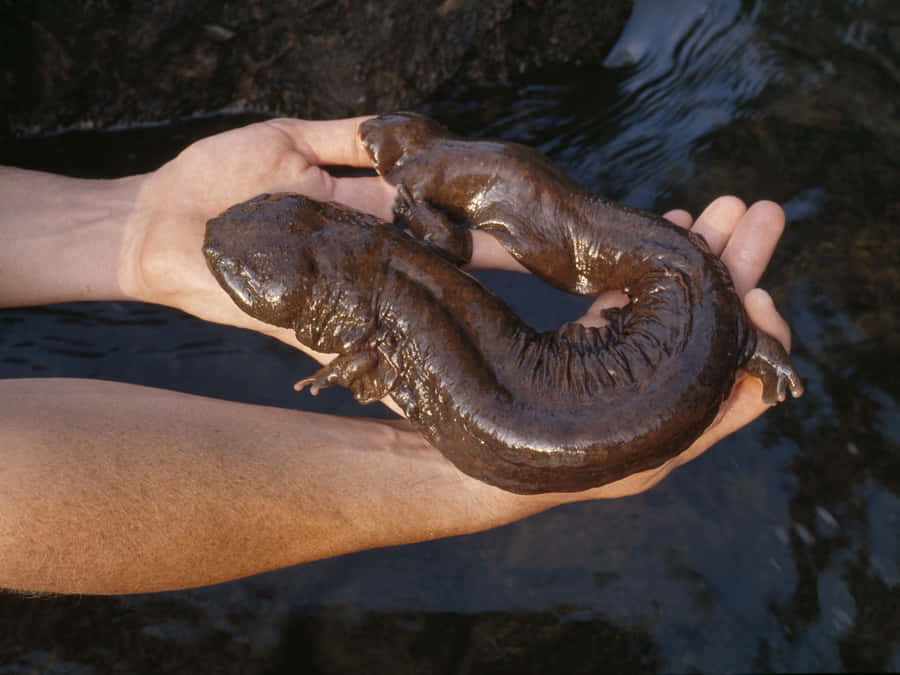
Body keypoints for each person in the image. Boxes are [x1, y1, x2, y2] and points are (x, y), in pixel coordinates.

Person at [0, 117, 794, 595]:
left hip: (669, 341)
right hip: (668, 340)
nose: (222, 249)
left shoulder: (383, 321)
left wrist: (123, 223)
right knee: (696, 303)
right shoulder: (402, 273)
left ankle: (730, 341)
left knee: (695, 308)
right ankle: (733, 342)